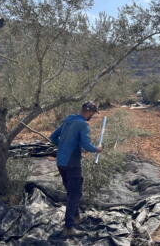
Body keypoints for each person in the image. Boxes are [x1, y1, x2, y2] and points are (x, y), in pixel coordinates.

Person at [49, 101, 103, 237]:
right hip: (72, 163)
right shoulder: (83, 124)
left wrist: (63, 146)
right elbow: (86, 144)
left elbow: (53, 137)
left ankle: (76, 217)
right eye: (93, 113)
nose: (92, 116)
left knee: (72, 191)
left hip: (61, 161)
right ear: (89, 112)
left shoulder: (69, 119)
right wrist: (97, 149)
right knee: (75, 194)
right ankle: (68, 227)